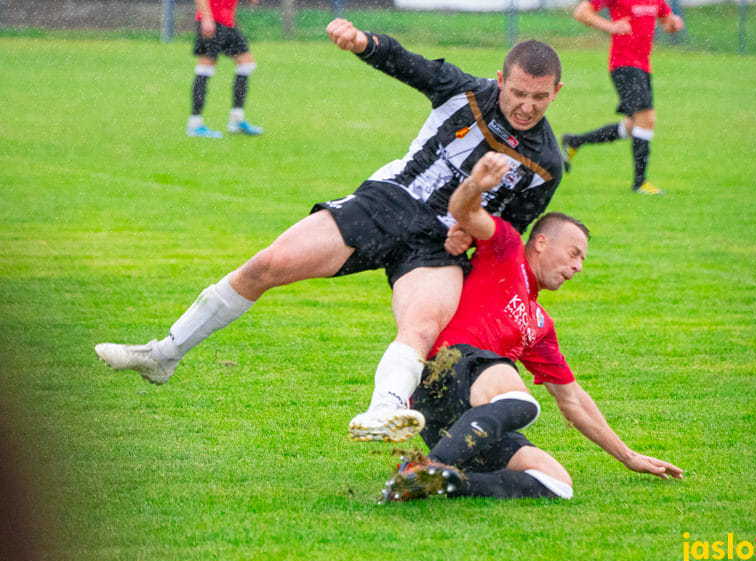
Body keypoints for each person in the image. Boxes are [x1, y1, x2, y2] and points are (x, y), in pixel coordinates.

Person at [95, 19, 565, 444]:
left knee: (422, 325)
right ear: (501, 80)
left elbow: (507, 231)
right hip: (389, 202)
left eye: (539, 97)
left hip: (437, 246)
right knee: (267, 265)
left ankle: (387, 409)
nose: (526, 106)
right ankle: (165, 353)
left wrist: (470, 232)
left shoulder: (546, 165)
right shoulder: (463, 91)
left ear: (556, 93)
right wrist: (363, 43)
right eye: (518, 93)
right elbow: (407, 64)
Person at [379, 152, 682, 502]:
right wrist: (477, 183)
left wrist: (628, 456)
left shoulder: (539, 325)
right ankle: (426, 466)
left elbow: (572, 400)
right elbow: (464, 212)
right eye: (574, 253)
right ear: (541, 242)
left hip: (462, 422)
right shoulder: (506, 250)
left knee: (556, 484)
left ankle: (435, 480)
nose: (579, 266)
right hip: (445, 367)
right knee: (522, 403)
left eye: (582, 259)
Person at [560, 0, 684, 195]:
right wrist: (611, 26)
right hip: (624, 65)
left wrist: (674, 24)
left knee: (632, 127)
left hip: (643, 66)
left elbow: (667, 23)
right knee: (647, 119)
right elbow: (581, 12)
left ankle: (575, 141)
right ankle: (640, 183)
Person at [186, 0, 264, 138]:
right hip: (212, 21)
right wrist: (207, 17)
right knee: (205, 69)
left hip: (227, 23)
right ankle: (194, 124)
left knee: (246, 64)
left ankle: (236, 120)